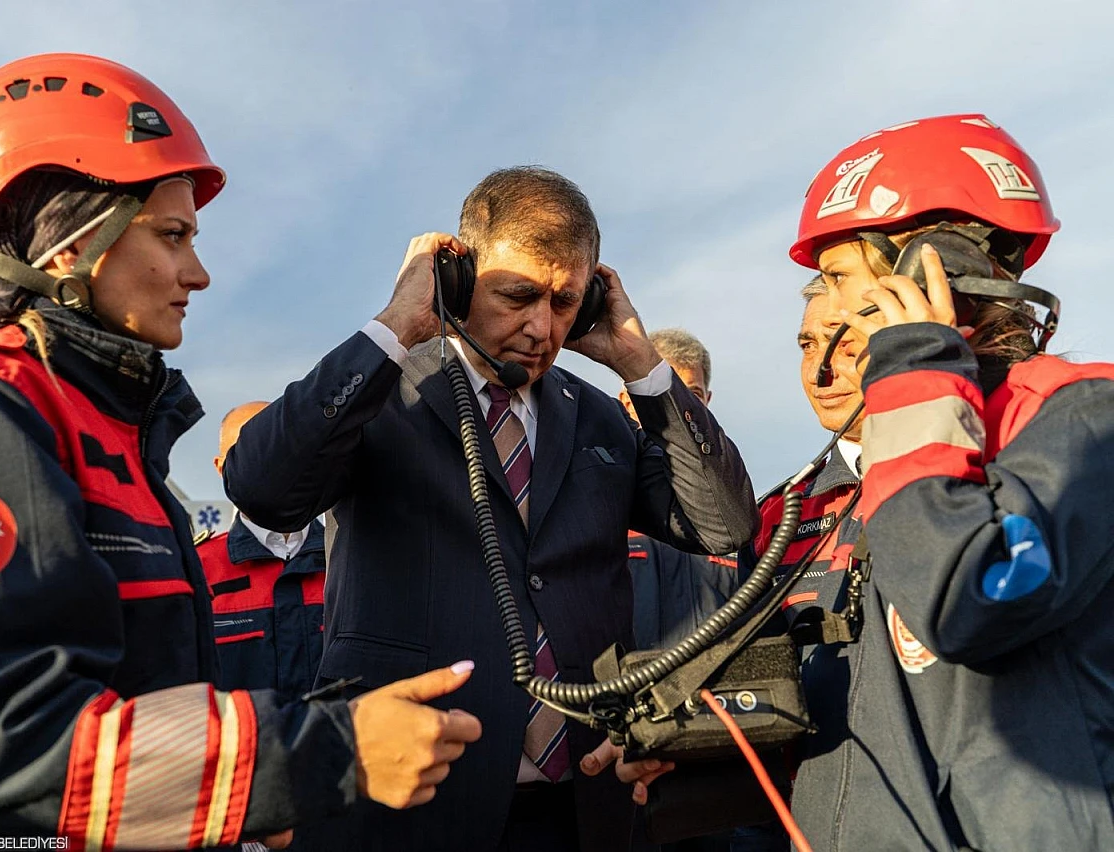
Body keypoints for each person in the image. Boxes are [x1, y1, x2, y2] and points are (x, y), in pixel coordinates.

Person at [0, 53, 481, 849]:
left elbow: (145, 701)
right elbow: (20, 746)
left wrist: (252, 798)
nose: (198, 274)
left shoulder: (98, 423)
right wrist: (324, 754)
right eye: (173, 235)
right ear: (70, 246)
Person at [224, 166, 759, 852]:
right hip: (412, 802)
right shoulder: (380, 395)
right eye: (518, 295)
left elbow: (723, 524)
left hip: (583, 806)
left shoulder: (601, 418)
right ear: (456, 278)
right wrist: (396, 326)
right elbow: (262, 486)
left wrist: (641, 365)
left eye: (565, 302)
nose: (541, 327)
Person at [781, 113, 1114, 850]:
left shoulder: (1085, 416)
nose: (829, 312)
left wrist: (915, 373)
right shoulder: (902, 438)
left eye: (838, 277)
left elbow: (964, 601)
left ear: (931, 265)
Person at [619, 328, 737, 653]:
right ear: (627, 402)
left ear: (707, 402)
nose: (677, 408)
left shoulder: (733, 513)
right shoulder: (598, 505)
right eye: (658, 392)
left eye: (691, 394)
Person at [199, 401, 328, 699]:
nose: (265, 465)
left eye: (278, 448)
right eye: (243, 454)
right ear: (221, 468)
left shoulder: (350, 564)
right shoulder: (197, 571)